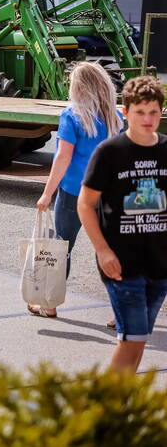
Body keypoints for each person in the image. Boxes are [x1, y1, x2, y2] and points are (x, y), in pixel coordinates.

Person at [79, 76, 167, 373]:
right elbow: (85, 203)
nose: (148, 119)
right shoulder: (110, 152)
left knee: (137, 340)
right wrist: (102, 250)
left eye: (154, 112)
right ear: (125, 112)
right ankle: (107, 408)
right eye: (140, 112)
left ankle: (119, 402)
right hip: (121, 265)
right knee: (134, 339)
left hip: (160, 266)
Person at [31, 62, 122, 317]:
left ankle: (49, 304)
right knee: (110, 249)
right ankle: (119, 312)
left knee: (62, 246)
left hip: (74, 191)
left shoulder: (72, 115)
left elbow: (63, 157)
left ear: (78, 87)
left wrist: (47, 193)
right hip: (108, 192)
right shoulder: (117, 117)